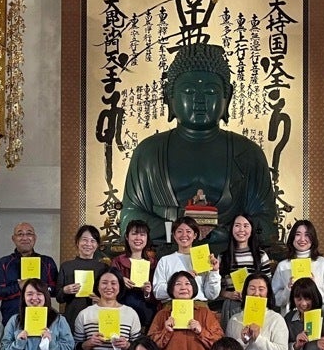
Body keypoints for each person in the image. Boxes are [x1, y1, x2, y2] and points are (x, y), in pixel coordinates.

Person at [119, 42, 279, 252]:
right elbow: (129, 219)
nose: (200, 100)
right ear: (169, 96)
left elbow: (267, 224)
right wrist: (179, 232)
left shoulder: (247, 153)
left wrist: (228, 232)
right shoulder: (149, 152)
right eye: (189, 91)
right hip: (166, 256)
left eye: (211, 91)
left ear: (228, 97)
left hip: (229, 255)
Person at [0, 222, 59, 325]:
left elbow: (55, 290)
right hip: (12, 319)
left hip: (41, 318)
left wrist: (39, 287)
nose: (25, 237)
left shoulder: (47, 262)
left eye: (29, 233)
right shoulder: (3, 263)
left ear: (35, 238)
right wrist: (18, 286)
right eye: (20, 234)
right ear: (13, 239)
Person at [216, 213, 274, 325]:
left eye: (246, 226)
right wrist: (228, 294)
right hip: (232, 306)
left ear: (251, 229)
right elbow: (216, 288)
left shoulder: (261, 256)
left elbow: (268, 284)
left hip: (256, 305)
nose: (241, 229)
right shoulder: (223, 257)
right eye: (237, 225)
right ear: (232, 229)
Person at [271, 219, 324, 313]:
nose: (302, 239)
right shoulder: (283, 266)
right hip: (291, 318)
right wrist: (288, 289)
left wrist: (314, 288)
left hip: (318, 315)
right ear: (292, 237)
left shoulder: (323, 263)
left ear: (313, 238)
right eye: (298, 234)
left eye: (307, 235)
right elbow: (274, 298)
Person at [152, 217, 222, 302]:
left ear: (195, 235)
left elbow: (212, 295)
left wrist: (214, 272)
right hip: (172, 305)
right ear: (174, 235)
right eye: (179, 231)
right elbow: (157, 292)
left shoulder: (204, 260)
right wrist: (181, 280)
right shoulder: (165, 261)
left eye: (188, 231)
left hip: (198, 305)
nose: (184, 235)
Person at [57, 224, 110, 329]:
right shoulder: (66, 266)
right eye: (84, 240)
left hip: (98, 317)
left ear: (97, 245)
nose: (88, 244)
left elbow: (111, 295)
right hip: (73, 316)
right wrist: (65, 290)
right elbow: (59, 298)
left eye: (93, 241)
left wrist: (101, 299)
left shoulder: (104, 268)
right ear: (77, 242)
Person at [111, 218, 159, 328]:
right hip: (122, 310)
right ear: (127, 237)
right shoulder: (118, 262)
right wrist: (120, 281)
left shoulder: (153, 264)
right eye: (134, 234)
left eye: (142, 234)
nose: (138, 238)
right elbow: (109, 287)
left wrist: (148, 293)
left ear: (147, 238)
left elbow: (158, 293)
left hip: (146, 311)